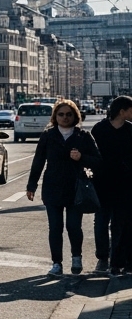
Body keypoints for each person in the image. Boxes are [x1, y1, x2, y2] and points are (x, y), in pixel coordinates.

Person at [27, 99, 102, 276]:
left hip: (76, 188)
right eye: (61, 114)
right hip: (52, 187)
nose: (65, 117)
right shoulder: (48, 136)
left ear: (75, 116)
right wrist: (32, 185)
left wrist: (81, 158)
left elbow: (98, 161)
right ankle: (57, 263)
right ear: (55, 117)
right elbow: (38, 161)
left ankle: (76, 257)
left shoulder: (83, 136)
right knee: (55, 227)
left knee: (73, 226)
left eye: (69, 114)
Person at [92, 96, 132, 275]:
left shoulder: (130, 130)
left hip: (125, 184)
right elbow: (92, 154)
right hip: (102, 183)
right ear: (122, 111)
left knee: (120, 223)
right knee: (101, 220)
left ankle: (116, 260)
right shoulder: (99, 129)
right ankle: (102, 257)